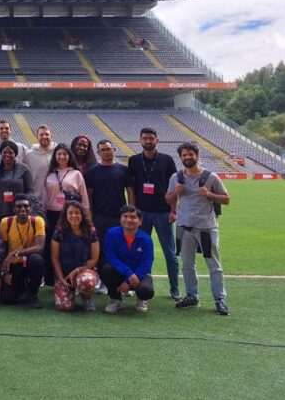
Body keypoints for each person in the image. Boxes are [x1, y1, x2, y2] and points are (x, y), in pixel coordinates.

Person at [166, 142, 231, 316]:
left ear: (197, 156)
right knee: (187, 264)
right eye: (184, 155)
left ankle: (220, 299)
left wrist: (209, 194)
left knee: (214, 265)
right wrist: (176, 192)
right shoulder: (176, 177)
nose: (187, 157)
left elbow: (226, 199)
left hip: (206, 227)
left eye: (190, 154)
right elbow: (168, 199)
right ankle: (192, 296)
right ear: (180, 158)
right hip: (184, 227)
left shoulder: (211, 177)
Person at [128, 128, 180, 300]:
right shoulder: (134, 160)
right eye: (145, 138)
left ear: (157, 140)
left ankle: (174, 288)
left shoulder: (167, 160)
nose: (148, 141)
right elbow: (131, 188)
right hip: (142, 214)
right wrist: (133, 212)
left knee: (169, 253)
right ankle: (142, 287)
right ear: (140, 140)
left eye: (151, 138)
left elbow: (174, 188)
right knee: (140, 252)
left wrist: (174, 210)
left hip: (163, 212)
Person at [86, 140, 131, 294]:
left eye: (108, 149)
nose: (106, 152)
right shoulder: (93, 171)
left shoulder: (123, 170)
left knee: (121, 249)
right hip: (99, 216)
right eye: (103, 150)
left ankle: (123, 281)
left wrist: (131, 212)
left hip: (119, 217)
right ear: (98, 153)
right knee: (101, 249)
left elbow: (130, 191)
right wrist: (90, 214)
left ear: (114, 150)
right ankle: (103, 281)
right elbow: (90, 194)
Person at [43, 143, 89, 285]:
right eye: (59, 154)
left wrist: (86, 215)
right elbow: (45, 197)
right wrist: (43, 215)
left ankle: (72, 278)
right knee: (53, 248)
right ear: (55, 156)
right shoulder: (50, 174)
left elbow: (84, 196)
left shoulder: (76, 174)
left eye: (65, 154)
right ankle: (53, 279)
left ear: (69, 156)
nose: (62, 157)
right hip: (52, 215)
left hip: (71, 216)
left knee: (69, 248)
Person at [101, 205, 155, 314]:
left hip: (139, 275)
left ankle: (141, 299)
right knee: (106, 269)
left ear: (140, 221)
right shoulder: (111, 233)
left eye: (133, 217)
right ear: (120, 219)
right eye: (125, 216)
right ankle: (116, 299)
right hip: (121, 273)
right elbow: (111, 257)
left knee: (147, 291)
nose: (129, 220)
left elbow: (146, 264)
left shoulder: (146, 239)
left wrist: (129, 281)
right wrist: (128, 273)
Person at [50, 201, 100, 312]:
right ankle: (69, 292)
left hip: (84, 271)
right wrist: (61, 278)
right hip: (64, 273)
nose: (74, 216)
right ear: (66, 215)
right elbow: (55, 257)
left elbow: (94, 259)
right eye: (70, 213)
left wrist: (77, 270)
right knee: (65, 307)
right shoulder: (59, 232)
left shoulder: (91, 231)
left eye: (77, 213)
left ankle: (86, 298)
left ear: (82, 215)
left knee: (87, 281)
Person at [0, 194, 46, 308]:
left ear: (31, 208)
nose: (23, 209)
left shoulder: (38, 221)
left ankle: (33, 294)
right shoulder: (6, 222)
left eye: (26, 206)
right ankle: (23, 288)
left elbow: (40, 247)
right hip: (15, 265)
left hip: (30, 263)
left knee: (37, 259)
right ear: (13, 209)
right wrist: (6, 272)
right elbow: (2, 249)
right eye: (19, 206)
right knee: (7, 299)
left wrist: (15, 253)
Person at [0, 141, 33, 222]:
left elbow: (30, 191)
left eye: (11, 153)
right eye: (4, 152)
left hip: (19, 211)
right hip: (1, 210)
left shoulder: (24, 169)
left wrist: (24, 205)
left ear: (16, 154)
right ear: (1, 153)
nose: (7, 155)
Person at [26, 125, 56, 204]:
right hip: (37, 199)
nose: (44, 137)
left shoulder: (58, 152)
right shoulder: (29, 155)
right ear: (37, 137)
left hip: (55, 199)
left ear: (51, 136)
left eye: (47, 134)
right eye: (41, 134)